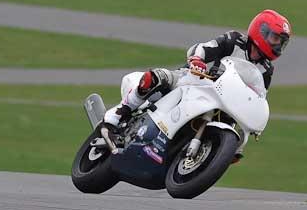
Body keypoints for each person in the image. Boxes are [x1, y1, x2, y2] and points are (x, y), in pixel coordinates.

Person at [101, 9, 292, 149]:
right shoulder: (235, 40)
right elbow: (203, 48)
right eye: (275, 39)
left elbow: (259, 96)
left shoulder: (266, 70)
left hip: (225, 104)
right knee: (156, 77)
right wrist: (197, 60)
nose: (278, 45)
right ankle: (115, 117)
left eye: (281, 42)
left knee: (236, 135)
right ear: (262, 32)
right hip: (194, 80)